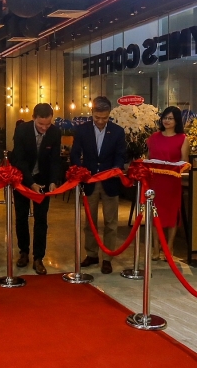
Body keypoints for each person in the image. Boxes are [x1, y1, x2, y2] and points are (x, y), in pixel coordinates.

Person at [69, 96, 127, 274]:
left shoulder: (117, 131)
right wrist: (79, 171)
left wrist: (116, 168)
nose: (101, 121)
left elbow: (120, 156)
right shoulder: (82, 130)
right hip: (90, 182)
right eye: (97, 117)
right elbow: (75, 153)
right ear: (92, 112)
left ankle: (107, 258)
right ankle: (92, 254)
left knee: (111, 222)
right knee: (90, 222)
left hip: (110, 182)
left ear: (109, 114)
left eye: (104, 118)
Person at [9, 103, 62, 275]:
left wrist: (53, 181)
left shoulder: (55, 132)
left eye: (48, 124)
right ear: (33, 118)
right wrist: (31, 183)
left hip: (43, 180)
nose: (44, 128)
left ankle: (38, 257)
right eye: (40, 124)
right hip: (22, 179)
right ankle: (23, 252)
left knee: (41, 219)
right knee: (21, 217)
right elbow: (19, 159)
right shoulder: (22, 130)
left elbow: (55, 160)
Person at [146, 106, 189, 260]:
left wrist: (174, 167)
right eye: (165, 117)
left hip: (172, 182)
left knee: (172, 215)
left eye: (170, 118)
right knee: (155, 215)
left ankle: (169, 246)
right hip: (155, 182)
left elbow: (185, 162)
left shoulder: (183, 139)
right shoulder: (154, 137)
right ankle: (155, 247)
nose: (167, 121)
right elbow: (149, 158)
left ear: (177, 121)